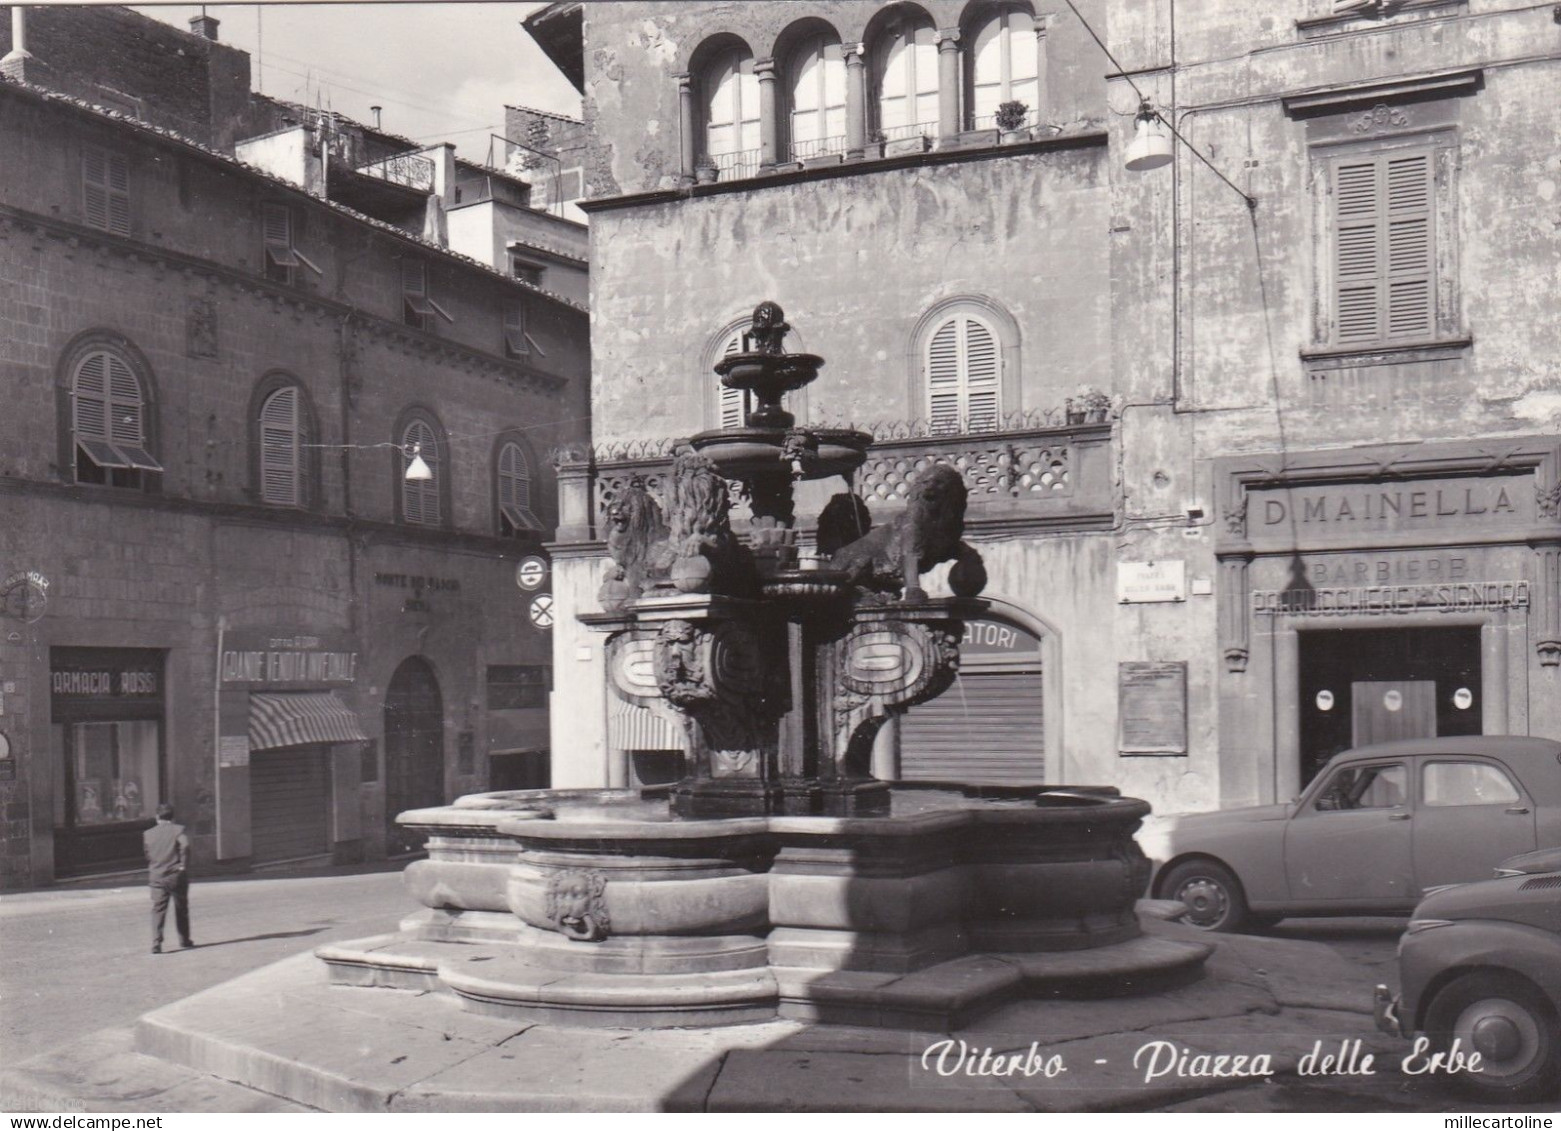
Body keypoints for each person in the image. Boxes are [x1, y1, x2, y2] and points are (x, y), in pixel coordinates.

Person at [144, 802, 193, 954]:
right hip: (175, 874)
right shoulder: (178, 830)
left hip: (157, 876)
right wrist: (183, 865)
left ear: (157, 817)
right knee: (181, 908)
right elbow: (185, 845)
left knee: (158, 909)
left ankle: (156, 943)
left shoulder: (148, 834)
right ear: (172, 817)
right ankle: (184, 940)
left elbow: (147, 853)